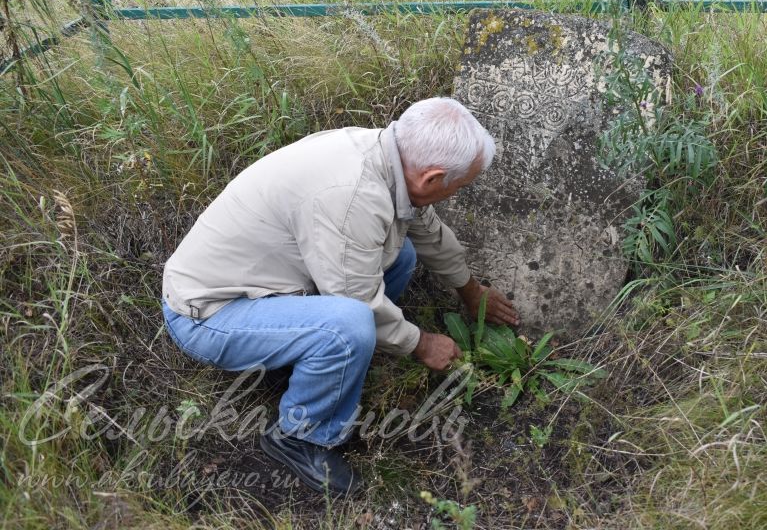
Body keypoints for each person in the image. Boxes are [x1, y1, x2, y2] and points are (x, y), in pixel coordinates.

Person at [160, 97, 518, 496]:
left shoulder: (386, 154)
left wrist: (471, 291)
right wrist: (420, 343)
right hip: (210, 316)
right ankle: (300, 437)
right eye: (460, 185)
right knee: (347, 326)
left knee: (402, 253)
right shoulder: (352, 196)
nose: (456, 193)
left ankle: (320, 365)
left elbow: (427, 230)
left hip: (265, 288)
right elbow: (357, 302)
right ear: (432, 178)